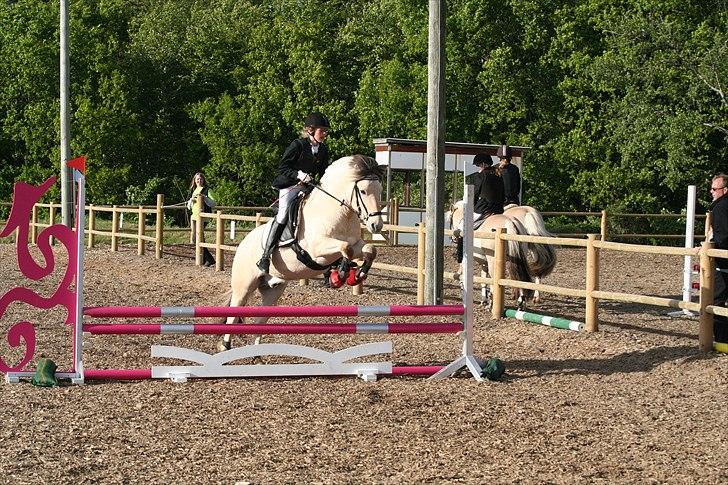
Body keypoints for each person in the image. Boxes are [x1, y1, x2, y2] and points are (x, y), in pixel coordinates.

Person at [257, 111, 331, 276]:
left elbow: (324, 172)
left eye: (326, 131)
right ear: (311, 130)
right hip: (290, 185)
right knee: (283, 214)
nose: (325, 134)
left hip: (308, 187)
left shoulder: (323, 149)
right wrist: (299, 174)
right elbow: (283, 167)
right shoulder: (297, 145)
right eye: (322, 130)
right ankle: (265, 256)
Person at [455, 153, 505, 262]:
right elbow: (503, 195)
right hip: (498, 210)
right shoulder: (499, 176)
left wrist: (469, 208)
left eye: (478, 165)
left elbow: (474, 194)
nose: (477, 167)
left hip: (484, 209)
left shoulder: (480, 176)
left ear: (482, 164)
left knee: (462, 225)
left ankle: (459, 254)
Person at [709, 173, 728, 343]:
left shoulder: (720, 207)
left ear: (725, 190)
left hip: (723, 264)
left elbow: (722, 236)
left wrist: (709, 246)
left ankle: (722, 340)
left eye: (715, 189)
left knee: (717, 301)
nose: (712, 192)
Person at [186, 172, 216, 267]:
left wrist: (204, 198)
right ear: (194, 181)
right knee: (195, 238)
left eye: (201, 179)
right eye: (197, 179)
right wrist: (191, 201)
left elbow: (213, 202)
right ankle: (204, 258)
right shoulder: (193, 190)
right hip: (194, 216)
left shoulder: (207, 190)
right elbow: (189, 206)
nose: (199, 180)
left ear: (203, 180)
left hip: (203, 216)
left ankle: (209, 259)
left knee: (200, 237)